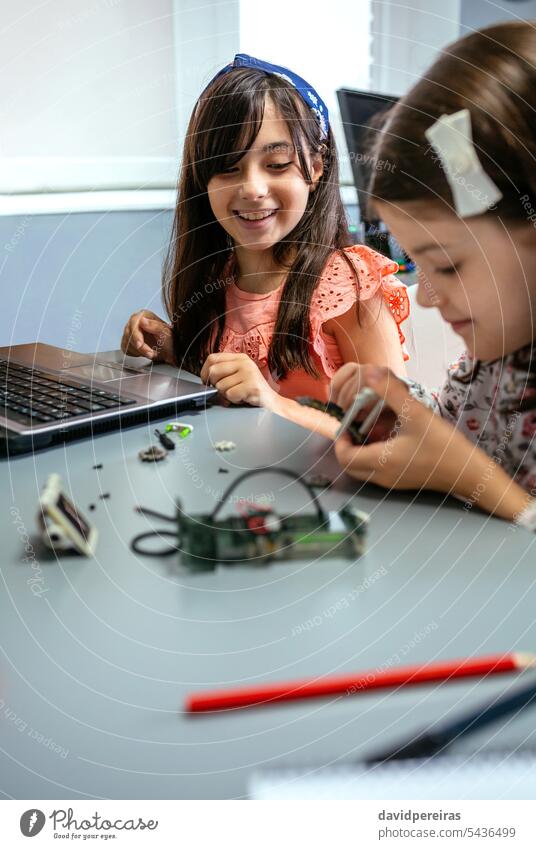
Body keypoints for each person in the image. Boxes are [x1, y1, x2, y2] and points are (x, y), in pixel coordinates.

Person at [121, 55, 409, 435]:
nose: (253, 189)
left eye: (276, 165)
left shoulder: (349, 285)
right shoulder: (216, 279)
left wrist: (275, 404)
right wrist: (171, 349)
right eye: (228, 167)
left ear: (317, 168)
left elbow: (398, 435)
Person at [332, 21, 536, 528]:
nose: (425, 297)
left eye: (446, 265)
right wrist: (400, 406)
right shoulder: (498, 357)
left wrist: (468, 478)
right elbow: (460, 435)